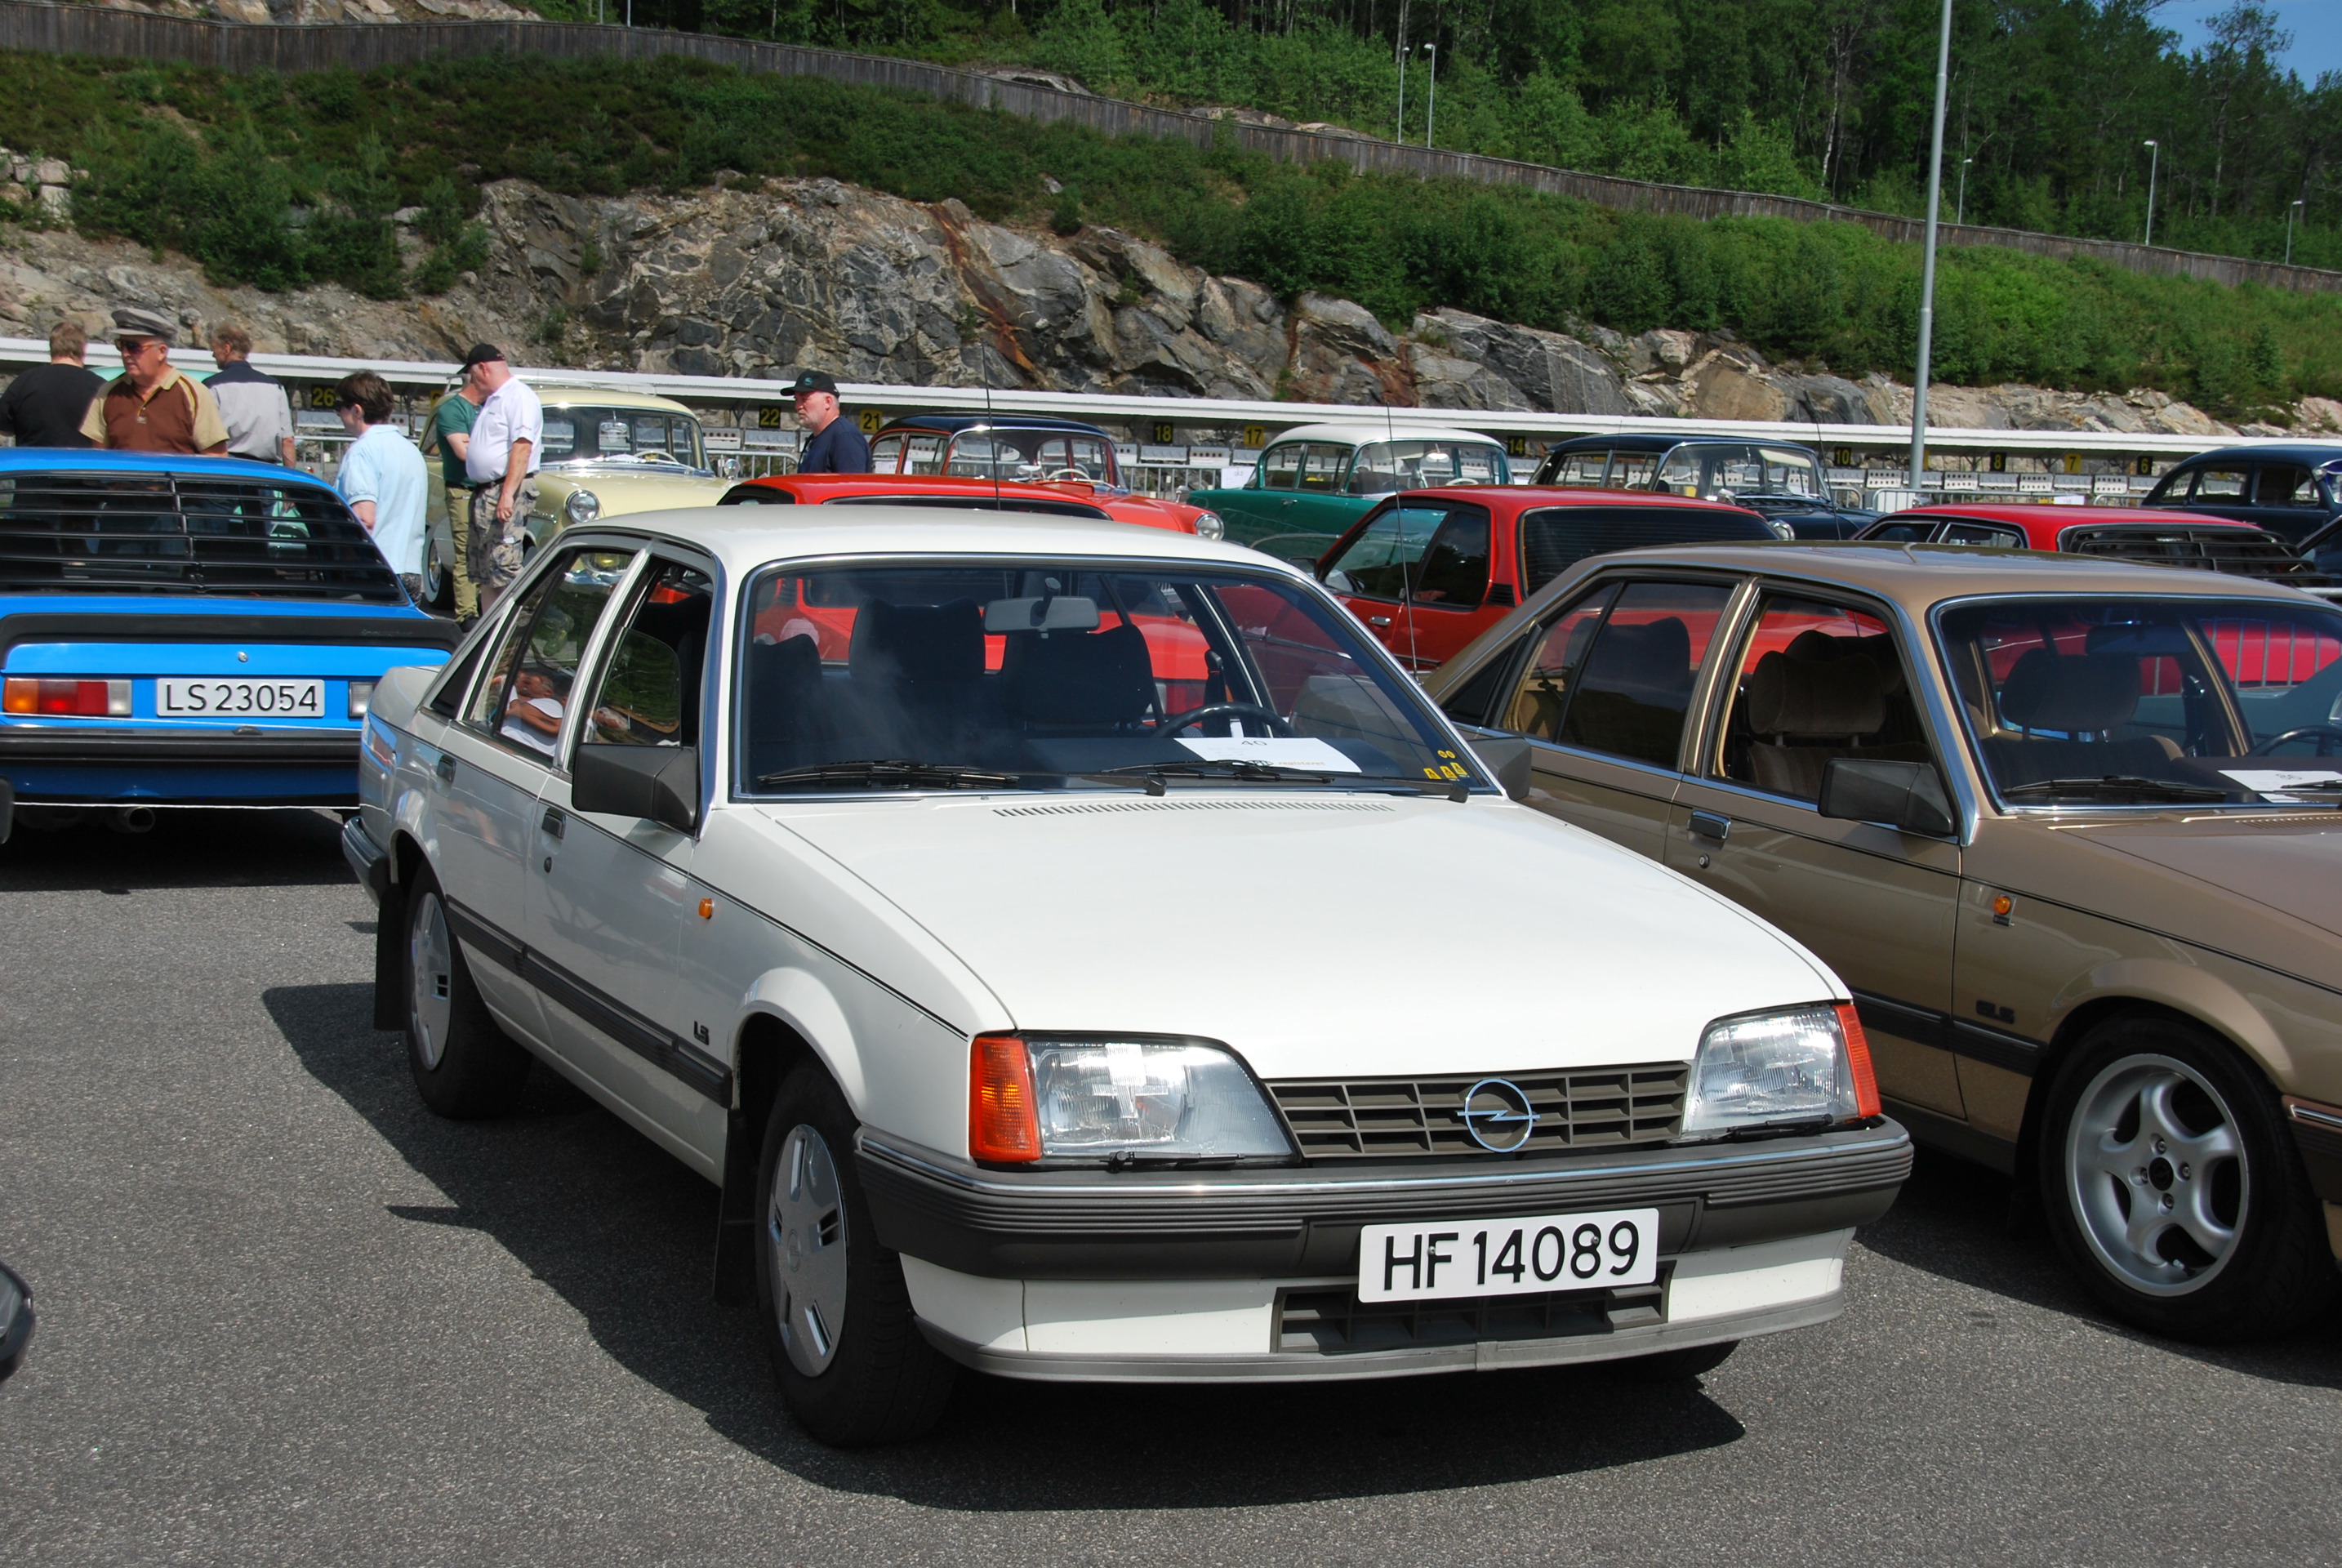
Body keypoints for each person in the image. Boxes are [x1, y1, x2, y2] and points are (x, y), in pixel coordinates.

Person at [332, 371, 430, 606]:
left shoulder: (361, 451)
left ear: (357, 410)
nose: (338, 414)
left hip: (373, 569)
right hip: (409, 567)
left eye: (339, 407)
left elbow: (364, 518)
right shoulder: (410, 450)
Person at [79, 306, 229, 456]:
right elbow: (99, 456)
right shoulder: (108, 393)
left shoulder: (194, 394)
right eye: (121, 345)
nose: (125, 354)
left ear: (161, 352)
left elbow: (215, 457)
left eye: (133, 347)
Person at [461, 343, 541, 615]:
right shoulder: (494, 399)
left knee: (504, 566)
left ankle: (520, 627)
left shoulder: (518, 396)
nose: (471, 382)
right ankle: (489, 631)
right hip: (486, 491)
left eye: (472, 374)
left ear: (483, 369)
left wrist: (508, 494)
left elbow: (522, 447)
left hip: (505, 489)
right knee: (486, 570)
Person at [422, 375, 485, 624]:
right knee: (466, 550)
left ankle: (489, 608)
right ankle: (467, 613)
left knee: (491, 552)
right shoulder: (452, 408)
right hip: (463, 488)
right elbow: (464, 451)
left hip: (492, 488)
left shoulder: (491, 408)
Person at [0, 319, 103, 448]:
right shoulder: (100, 387)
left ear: (51, 348)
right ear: (83, 349)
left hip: (34, 460)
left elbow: (4, 429)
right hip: (83, 460)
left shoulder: (24, 382)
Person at [205, 324, 296, 466]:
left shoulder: (212, 386)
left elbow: (206, 436)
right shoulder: (275, 387)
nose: (213, 355)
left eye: (214, 349)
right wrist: (290, 477)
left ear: (226, 348)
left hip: (227, 467)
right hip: (266, 470)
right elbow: (288, 440)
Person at [788, 369, 870, 474]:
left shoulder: (845, 437)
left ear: (827, 402)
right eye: (796, 400)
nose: (798, 406)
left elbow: (853, 483)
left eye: (804, 399)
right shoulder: (817, 438)